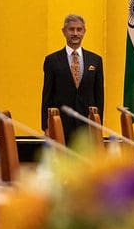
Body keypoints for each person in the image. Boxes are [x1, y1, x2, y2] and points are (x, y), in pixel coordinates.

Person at [42, 14, 104, 143]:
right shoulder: (52, 60)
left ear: (84, 31)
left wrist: (99, 124)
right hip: (61, 125)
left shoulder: (96, 60)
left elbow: (99, 96)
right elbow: (47, 95)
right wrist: (46, 126)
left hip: (87, 125)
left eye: (79, 29)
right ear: (64, 31)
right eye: (71, 29)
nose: (75, 33)